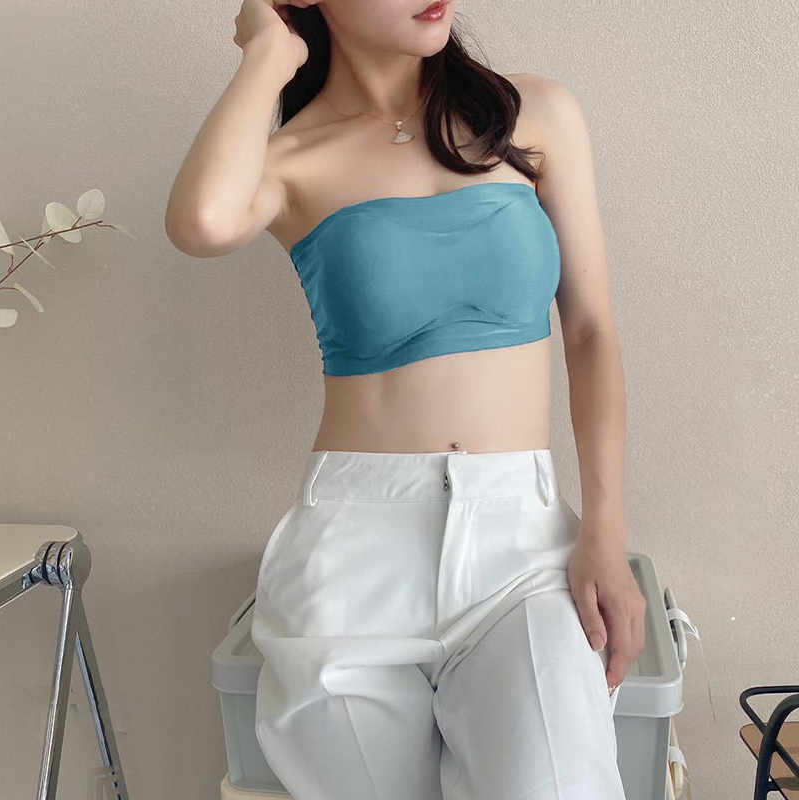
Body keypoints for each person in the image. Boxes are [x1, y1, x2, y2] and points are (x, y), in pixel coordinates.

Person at [166, 1, 647, 797]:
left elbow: (592, 331)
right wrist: (268, 52)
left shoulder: (532, 116)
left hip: (522, 547)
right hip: (352, 553)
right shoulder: (289, 161)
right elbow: (201, 221)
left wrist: (605, 529)